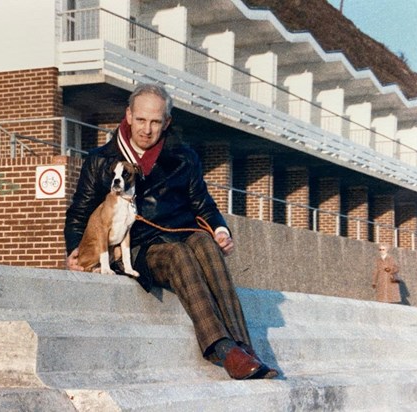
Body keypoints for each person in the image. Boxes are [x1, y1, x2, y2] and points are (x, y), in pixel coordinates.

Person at [64, 83, 277, 380]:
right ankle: (223, 347)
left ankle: (244, 347)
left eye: (155, 122)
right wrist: (75, 248)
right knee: (178, 254)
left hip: (183, 233)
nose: (147, 129)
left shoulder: (184, 157)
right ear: (128, 115)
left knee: (204, 242)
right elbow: (79, 213)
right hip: (137, 247)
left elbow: (204, 204)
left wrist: (219, 229)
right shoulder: (100, 160)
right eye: (140, 120)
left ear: (167, 122)